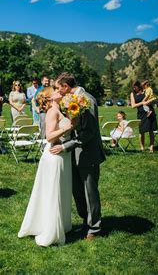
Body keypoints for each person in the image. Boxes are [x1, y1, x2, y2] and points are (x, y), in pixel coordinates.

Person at [49, 72, 106, 241]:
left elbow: (89, 132)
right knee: (78, 191)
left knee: (90, 192)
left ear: (66, 87)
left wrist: (65, 146)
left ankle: (94, 228)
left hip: (88, 153)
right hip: (73, 153)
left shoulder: (87, 100)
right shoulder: (68, 99)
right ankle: (85, 222)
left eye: (59, 88)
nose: (58, 92)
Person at [18, 86, 74, 246]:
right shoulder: (52, 112)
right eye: (55, 91)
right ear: (50, 98)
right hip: (54, 156)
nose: (59, 91)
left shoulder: (60, 109)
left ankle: (61, 225)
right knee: (53, 193)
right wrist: (65, 128)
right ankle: (50, 230)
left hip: (62, 155)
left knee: (60, 191)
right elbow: (49, 136)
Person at [130, 81, 158, 153]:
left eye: (135, 87)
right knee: (141, 131)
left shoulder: (146, 91)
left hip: (150, 112)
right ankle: (142, 147)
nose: (134, 88)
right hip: (141, 114)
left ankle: (151, 147)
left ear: (139, 86)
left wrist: (151, 101)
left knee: (151, 130)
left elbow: (152, 99)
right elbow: (133, 106)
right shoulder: (133, 94)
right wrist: (142, 103)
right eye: (133, 87)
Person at [33, 75, 50, 141]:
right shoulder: (39, 90)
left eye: (48, 81)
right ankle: (43, 145)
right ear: (42, 81)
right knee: (44, 128)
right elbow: (34, 100)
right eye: (46, 81)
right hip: (43, 112)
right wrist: (37, 108)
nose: (47, 82)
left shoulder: (50, 89)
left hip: (50, 111)